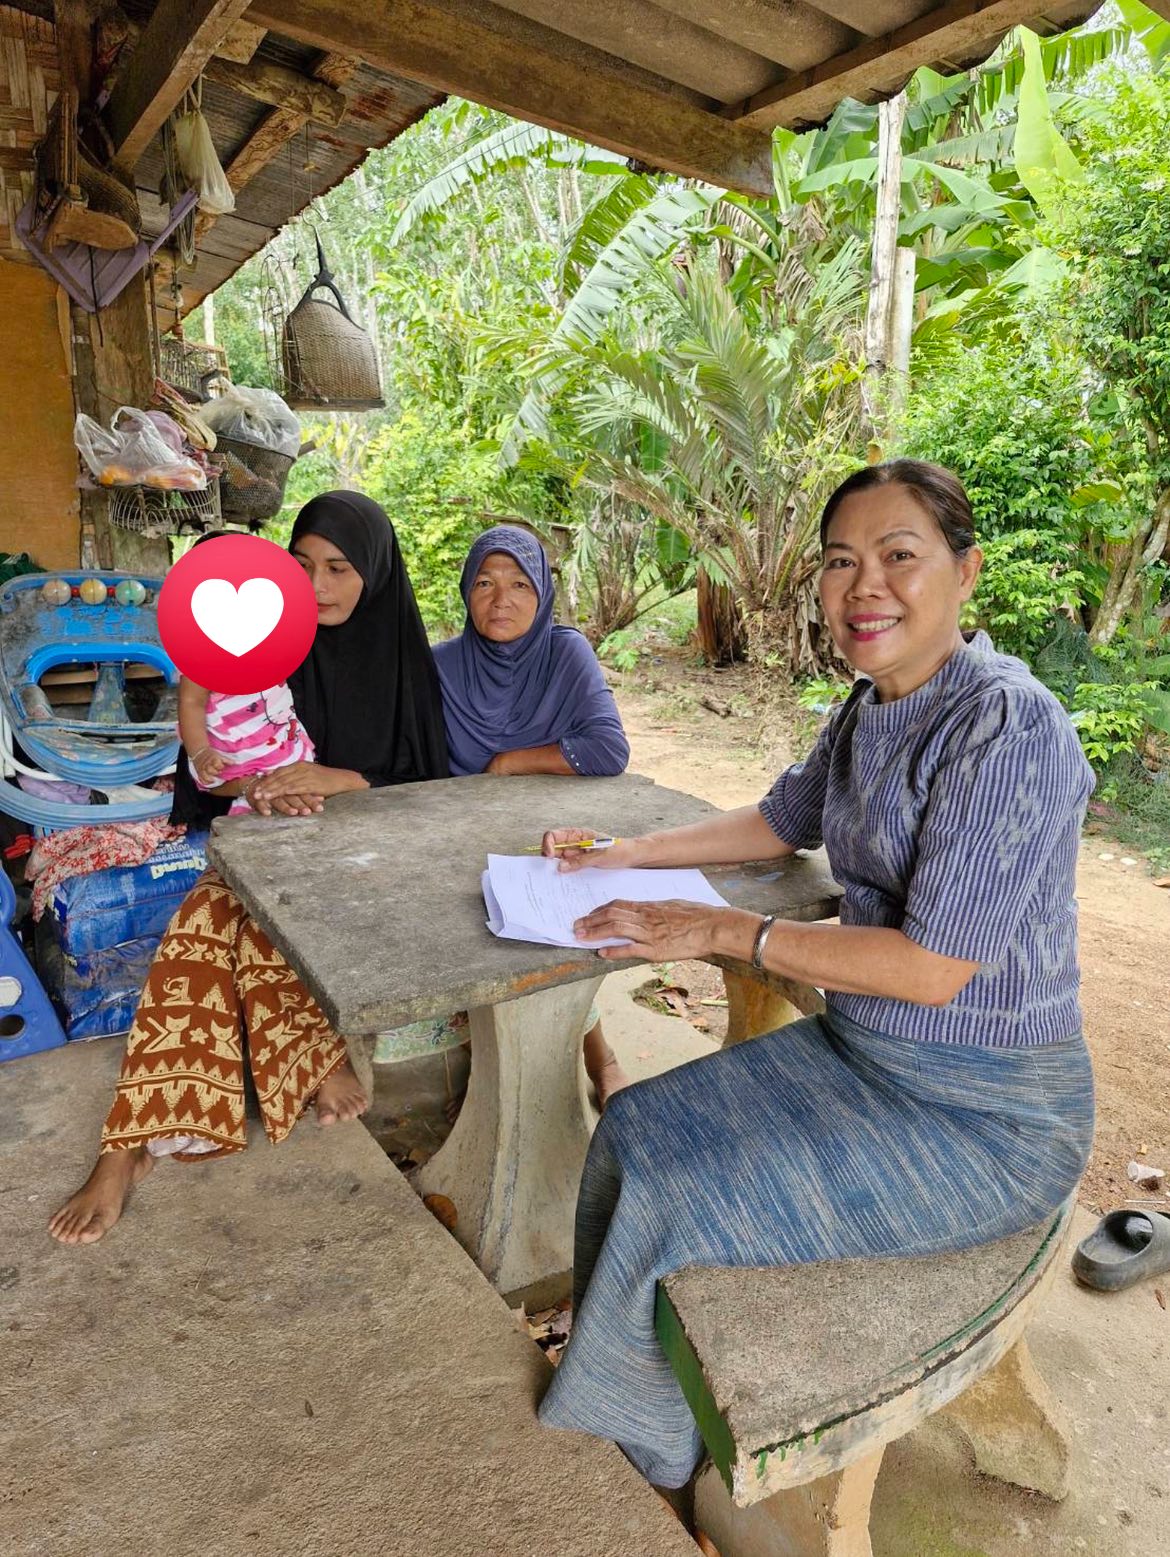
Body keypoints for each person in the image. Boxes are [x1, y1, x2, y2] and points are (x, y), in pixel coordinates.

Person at [536, 459, 1096, 1488]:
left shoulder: (1006, 727)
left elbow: (930, 970)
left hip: (989, 1120)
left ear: (965, 575)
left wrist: (717, 932)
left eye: (899, 557)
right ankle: (634, 1404)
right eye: (841, 562)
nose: (862, 586)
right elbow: (774, 823)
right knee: (634, 1131)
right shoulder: (866, 706)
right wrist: (621, 853)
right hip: (866, 1057)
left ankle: (645, 1461)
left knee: (678, 1196)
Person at [48, 493, 449, 1246]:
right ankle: (127, 1145)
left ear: (377, 572)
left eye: (338, 568)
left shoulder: (401, 659)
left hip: (367, 857)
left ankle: (301, 1065)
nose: (319, 586)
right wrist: (258, 785)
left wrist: (336, 779)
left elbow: (426, 781)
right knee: (202, 924)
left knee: (250, 914)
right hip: (264, 842)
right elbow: (207, 769)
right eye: (302, 566)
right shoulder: (260, 642)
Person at [386, 524, 629, 1104]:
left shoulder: (564, 652)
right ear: (467, 593)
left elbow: (608, 748)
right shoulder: (438, 665)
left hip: (541, 838)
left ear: (542, 593)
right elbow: (409, 757)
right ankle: (490, 1062)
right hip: (455, 837)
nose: (502, 600)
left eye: (520, 584)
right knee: (473, 938)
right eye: (486, 584)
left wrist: (511, 762)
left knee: (555, 930)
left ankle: (602, 1058)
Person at [177, 541, 316, 816]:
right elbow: (190, 702)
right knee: (257, 815)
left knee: (303, 804)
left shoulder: (271, 635)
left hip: (285, 745)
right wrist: (201, 752)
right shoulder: (201, 655)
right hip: (240, 759)